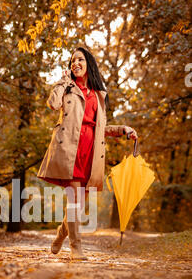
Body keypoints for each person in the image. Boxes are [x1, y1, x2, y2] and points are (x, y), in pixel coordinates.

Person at [37, 46, 138, 260]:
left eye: (80, 59)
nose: (76, 63)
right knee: (73, 201)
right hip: (69, 150)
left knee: (79, 207)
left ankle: (60, 234)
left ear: (88, 63)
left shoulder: (98, 94)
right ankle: (76, 247)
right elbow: (53, 104)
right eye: (73, 61)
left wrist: (123, 130)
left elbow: (100, 127)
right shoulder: (68, 88)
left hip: (90, 154)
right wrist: (63, 82)